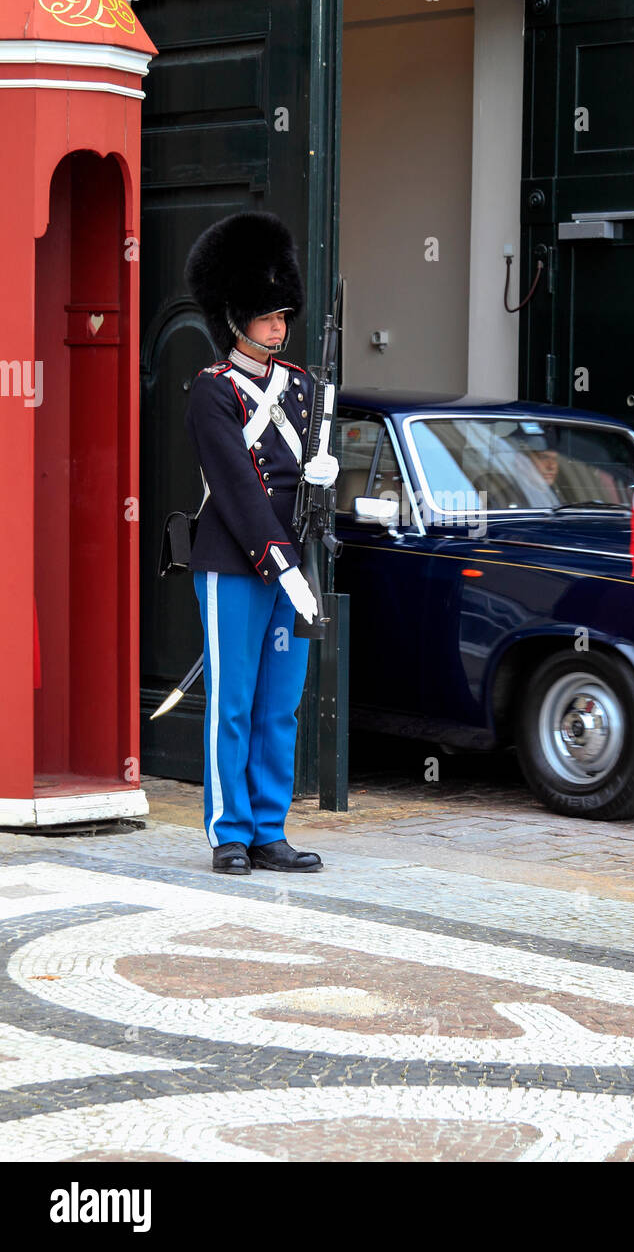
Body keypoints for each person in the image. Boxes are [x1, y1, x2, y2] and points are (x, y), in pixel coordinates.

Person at [183, 211, 339, 876]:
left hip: (292, 566)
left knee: (281, 704)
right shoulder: (211, 391)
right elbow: (238, 490)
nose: (278, 327)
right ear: (237, 316)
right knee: (235, 701)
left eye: (283, 315)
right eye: (266, 316)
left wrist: (325, 477)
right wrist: (282, 565)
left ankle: (270, 826)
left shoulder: (304, 388)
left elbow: (300, 487)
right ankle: (230, 831)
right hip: (236, 564)